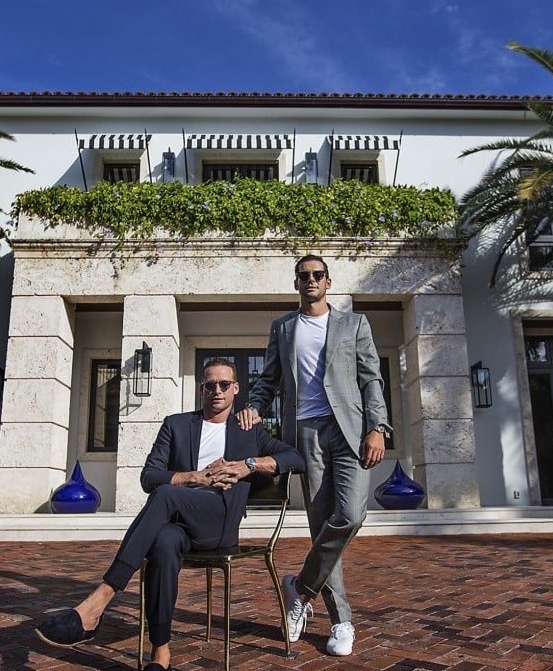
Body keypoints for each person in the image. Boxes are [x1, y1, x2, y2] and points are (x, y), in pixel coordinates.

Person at [35, 357, 305, 671]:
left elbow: (295, 458)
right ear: (201, 388)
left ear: (235, 388)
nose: (216, 391)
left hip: (218, 525)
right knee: (162, 543)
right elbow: (149, 476)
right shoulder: (176, 424)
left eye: (223, 385)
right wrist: (193, 477)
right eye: (209, 385)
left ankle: (100, 599)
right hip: (177, 524)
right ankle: (160, 655)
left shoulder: (248, 431)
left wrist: (246, 465)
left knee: (164, 495)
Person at [237, 254, 391, 657]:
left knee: (352, 515)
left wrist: (378, 427)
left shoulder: (354, 324)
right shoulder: (283, 327)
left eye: (317, 275)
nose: (311, 280)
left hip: (350, 432)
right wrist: (254, 404)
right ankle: (341, 620)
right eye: (304, 276)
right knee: (323, 523)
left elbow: (371, 379)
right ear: (297, 283)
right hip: (304, 433)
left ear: (328, 281)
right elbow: (269, 378)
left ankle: (300, 587)